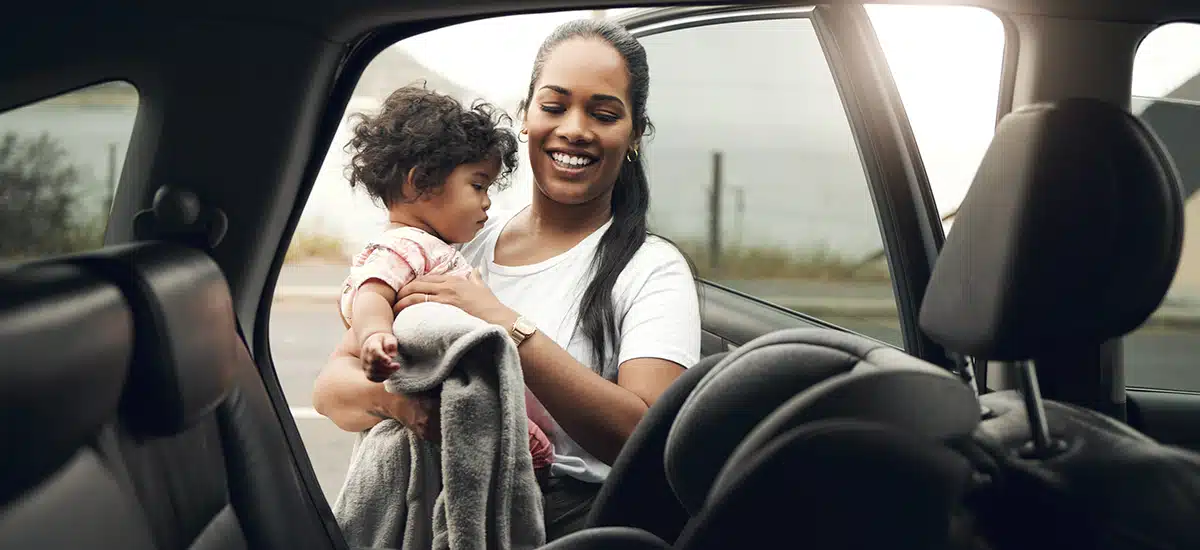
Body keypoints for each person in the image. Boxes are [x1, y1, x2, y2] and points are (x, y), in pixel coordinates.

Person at [312, 18, 702, 541]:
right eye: (554, 105)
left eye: (604, 113)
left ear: (633, 135)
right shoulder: (451, 243)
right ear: (525, 116)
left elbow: (649, 441)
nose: (575, 129)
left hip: (567, 524)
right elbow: (332, 390)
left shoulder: (651, 268)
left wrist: (502, 322)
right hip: (438, 504)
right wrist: (405, 408)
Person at [334, 83, 554, 474]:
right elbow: (371, 292)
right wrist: (374, 336)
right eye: (478, 185)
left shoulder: (430, 245)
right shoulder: (404, 245)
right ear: (420, 182)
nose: (487, 201)